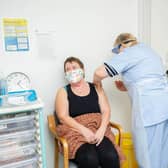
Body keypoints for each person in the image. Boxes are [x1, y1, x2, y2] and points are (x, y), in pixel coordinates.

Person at [93, 33, 168, 168]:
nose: (118, 55)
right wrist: (127, 86)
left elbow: (99, 72)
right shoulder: (149, 51)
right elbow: (148, 79)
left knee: (147, 154)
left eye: (117, 51)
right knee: (162, 153)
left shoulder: (129, 52)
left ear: (121, 45)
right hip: (164, 108)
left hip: (149, 111)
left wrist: (96, 85)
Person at [55, 56, 125, 168]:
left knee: (110, 156)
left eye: (74, 67)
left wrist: (101, 131)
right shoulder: (63, 92)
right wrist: (84, 131)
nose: (71, 71)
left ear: (82, 70)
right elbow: (63, 117)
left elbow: (106, 110)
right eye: (68, 69)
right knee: (89, 159)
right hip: (75, 132)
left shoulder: (96, 87)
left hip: (98, 130)